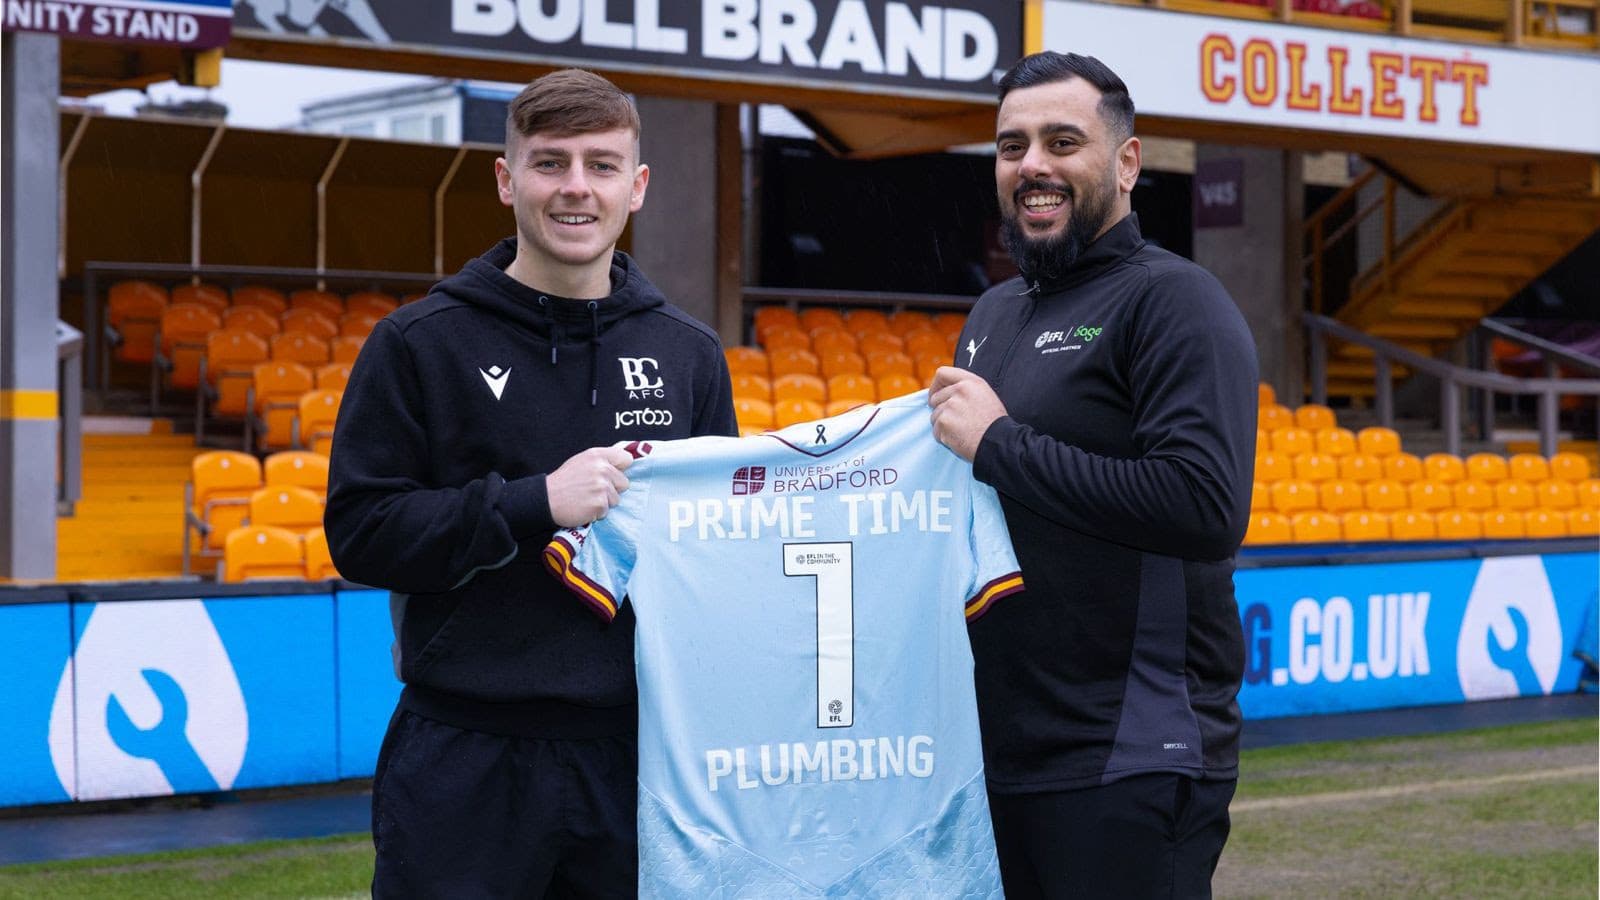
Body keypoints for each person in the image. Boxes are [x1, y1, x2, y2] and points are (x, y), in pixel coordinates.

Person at [324, 68, 738, 897]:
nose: (576, 187)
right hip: (464, 752)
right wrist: (533, 502)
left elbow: (717, 555)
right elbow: (362, 534)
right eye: (550, 163)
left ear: (637, 186)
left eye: (601, 165)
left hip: (635, 756)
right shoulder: (419, 344)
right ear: (507, 179)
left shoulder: (690, 353)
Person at [928, 51, 1258, 899]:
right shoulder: (994, 312)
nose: (1031, 165)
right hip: (998, 750)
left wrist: (999, 444)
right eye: (1012, 146)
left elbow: (1203, 506)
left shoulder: (1176, 301)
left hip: (1129, 753)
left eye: (1062, 141)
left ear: (1127, 162)